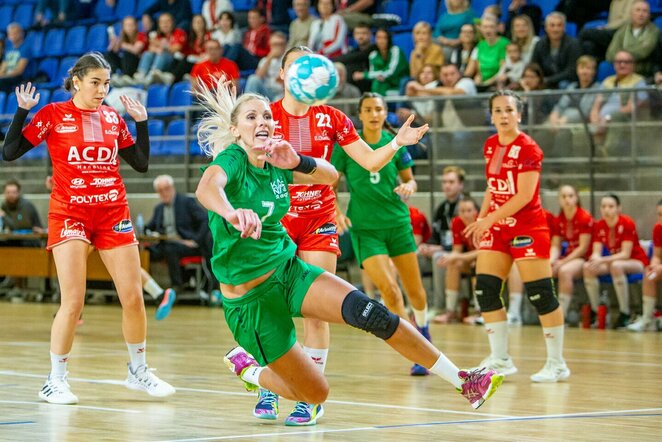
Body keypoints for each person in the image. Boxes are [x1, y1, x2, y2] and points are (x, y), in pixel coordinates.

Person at [193, 80, 503, 425]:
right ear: (236, 130)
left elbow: (329, 176)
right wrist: (231, 213)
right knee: (315, 393)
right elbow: (208, 186)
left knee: (373, 314)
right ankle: (250, 371)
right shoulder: (233, 159)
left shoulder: (278, 160)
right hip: (250, 302)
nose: (262, 122)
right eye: (251, 117)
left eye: (267, 115)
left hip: (288, 272)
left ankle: (463, 380)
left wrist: (299, 159)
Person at [254, 45, 429, 425]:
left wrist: (396, 143)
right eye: (296, 67)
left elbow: (367, 159)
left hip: (317, 218)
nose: (305, 74)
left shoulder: (332, 117)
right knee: (272, 307)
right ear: (282, 75)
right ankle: (274, 382)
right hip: (276, 221)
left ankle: (310, 397)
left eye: (311, 68)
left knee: (316, 311)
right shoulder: (265, 115)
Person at [1, 52, 175, 404]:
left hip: (113, 213)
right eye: (96, 82)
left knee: (133, 297)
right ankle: (55, 379)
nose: (102, 89)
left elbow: (140, 164)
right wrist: (21, 111)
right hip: (70, 214)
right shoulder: (53, 114)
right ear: (77, 80)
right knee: (73, 302)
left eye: (107, 83)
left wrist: (141, 122)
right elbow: (11, 151)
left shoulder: (112, 118)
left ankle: (139, 371)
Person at [463, 90, 570, 383]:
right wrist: (482, 219)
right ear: (491, 116)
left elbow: (524, 195)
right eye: (497, 110)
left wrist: (489, 220)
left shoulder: (529, 149)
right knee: (485, 289)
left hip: (527, 227)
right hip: (498, 226)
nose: (503, 115)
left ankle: (557, 363)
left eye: (509, 110)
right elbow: (492, 186)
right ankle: (500, 359)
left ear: (519, 115)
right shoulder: (489, 145)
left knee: (541, 294)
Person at [332, 91, 433, 376]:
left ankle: (423, 330)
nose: (374, 114)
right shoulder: (349, 146)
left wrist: (409, 188)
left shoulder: (397, 145)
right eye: (368, 109)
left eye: (379, 109)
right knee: (388, 289)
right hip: (366, 228)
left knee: (416, 292)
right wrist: (336, 210)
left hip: (398, 225)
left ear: (385, 112)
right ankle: (412, 346)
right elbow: (332, 182)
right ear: (360, 114)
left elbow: (410, 181)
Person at [582, 194, 649, 329]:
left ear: (619, 208)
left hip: (636, 261)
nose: (607, 210)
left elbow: (625, 254)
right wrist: (595, 258)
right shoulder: (599, 225)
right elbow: (596, 250)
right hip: (613, 261)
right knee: (587, 267)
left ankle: (625, 312)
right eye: (603, 206)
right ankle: (596, 311)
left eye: (611, 206)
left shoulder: (627, 223)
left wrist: (601, 259)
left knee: (616, 266)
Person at [145, 175, 209, 297]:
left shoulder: (186, 202)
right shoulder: (159, 209)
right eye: (160, 191)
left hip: (187, 245)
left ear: (172, 188)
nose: (164, 193)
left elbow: (205, 220)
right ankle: (148, 288)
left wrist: (196, 240)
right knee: (145, 252)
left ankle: (177, 285)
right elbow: (149, 227)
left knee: (171, 249)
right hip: (165, 243)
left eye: (166, 189)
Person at [418, 166, 465, 314]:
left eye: (451, 182)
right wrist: (427, 246)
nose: (447, 185)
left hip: (461, 252)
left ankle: (439, 306)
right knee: (414, 255)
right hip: (443, 247)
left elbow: (466, 240)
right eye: (444, 182)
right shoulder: (441, 208)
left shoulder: (467, 207)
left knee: (439, 257)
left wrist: (439, 248)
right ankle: (417, 304)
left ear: (460, 184)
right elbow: (436, 235)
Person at [589, 50, 648, 155]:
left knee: (614, 118)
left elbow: (632, 107)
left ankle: (608, 155)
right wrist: (595, 118)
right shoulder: (608, 81)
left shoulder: (639, 82)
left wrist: (607, 119)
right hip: (601, 121)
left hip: (624, 120)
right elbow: (596, 105)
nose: (622, 64)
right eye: (619, 62)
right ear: (614, 64)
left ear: (633, 65)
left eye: (627, 62)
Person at [550, 185, 594, 318]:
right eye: (563, 196)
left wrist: (562, 261)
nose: (567, 199)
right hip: (569, 257)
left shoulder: (584, 217)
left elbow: (583, 248)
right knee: (547, 270)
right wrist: (551, 260)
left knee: (565, 271)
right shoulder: (559, 219)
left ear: (576, 198)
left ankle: (561, 314)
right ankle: (548, 310)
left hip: (585, 258)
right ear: (559, 199)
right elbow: (556, 246)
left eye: (570, 196)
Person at [433, 196, 479, 324]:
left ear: (476, 211)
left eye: (469, 210)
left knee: (479, 264)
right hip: (470, 259)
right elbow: (457, 250)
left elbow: (483, 251)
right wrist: (449, 258)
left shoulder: (480, 222)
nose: (465, 214)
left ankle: (480, 313)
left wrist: (456, 256)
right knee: (452, 264)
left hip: (486, 260)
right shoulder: (457, 222)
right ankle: (450, 311)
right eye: (462, 211)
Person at [628, 199, 662, 332]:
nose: (661, 218)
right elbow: (657, 255)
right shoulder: (658, 228)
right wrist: (654, 265)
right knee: (648, 274)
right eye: (659, 214)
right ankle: (647, 319)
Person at [605, 1, 660, 79]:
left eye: (645, 11)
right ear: (631, 13)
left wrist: (621, 55)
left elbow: (643, 52)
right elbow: (610, 54)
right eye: (638, 10)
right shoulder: (622, 31)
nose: (641, 14)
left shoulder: (654, 31)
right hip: (621, 74)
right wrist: (627, 57)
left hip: (644, 74)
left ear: (649, 15)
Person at [131, 13, 187, 86]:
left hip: (175, 63)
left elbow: (176, 48)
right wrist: (157, 49)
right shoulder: (158, 35)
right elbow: (150, 48)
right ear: (159, 24)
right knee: (147, 54)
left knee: (162, 54)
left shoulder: (179, 32)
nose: (165, 24)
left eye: (167, 22)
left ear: (173, 22)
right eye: (162, 22)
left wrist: (161, 46)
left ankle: (152, 75)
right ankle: (141, 74)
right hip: (159, 58)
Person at [530, 12, 581, 89]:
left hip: (566, 82)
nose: (555, 29)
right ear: (546, 28)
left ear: (564, 28)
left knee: (563, 84)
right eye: (552, 25)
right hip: (545, 81)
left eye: (559, 25)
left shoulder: (573, 44)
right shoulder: (540, 44)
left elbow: (571, 71)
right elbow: (534, 66)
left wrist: (548, 80)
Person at [353, 29, 409, 96]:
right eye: (378, 38)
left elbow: (390, 72)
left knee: (378, 85)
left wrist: (364, 75)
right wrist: (378, 75)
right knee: (377, 83)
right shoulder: (373, 55)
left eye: (384, 38)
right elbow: (374, 73)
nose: (381, 41)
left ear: (389, 39)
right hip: (383, 85)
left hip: (399, 85)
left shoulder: (396, 51)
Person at [464, 15, 509, 90]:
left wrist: (485, 84)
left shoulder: (505, 44)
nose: (488, 30)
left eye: (491, 27)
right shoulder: (480, 45)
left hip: (498, 83)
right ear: (481, 29)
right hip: (482, 83)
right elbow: (476, 71)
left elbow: (502, 70)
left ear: (497, 28)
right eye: (485, 27)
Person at [243, 32, 288, 101]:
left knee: (279, 98)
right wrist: (270, 58)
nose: (278, 47)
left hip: (281, 93)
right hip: (266, 91)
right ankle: (246, 105)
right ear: (270, 46)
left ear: (285, 45)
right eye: (275, 44)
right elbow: (258, 76)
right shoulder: (265, 60)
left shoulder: (289, 60)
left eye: (280, 44)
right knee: (253, 79)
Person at [332, 23, 374, 93]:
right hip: (355, 86)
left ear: (370, 35)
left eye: (364, 33)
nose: (360, 36)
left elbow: (361, 55)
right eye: (357, 33)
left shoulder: (374, 49)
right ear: (354, 35)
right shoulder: (353, 51)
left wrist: (332, 60)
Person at [106, 16, 148, 85]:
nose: (130, 28)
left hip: (138, 64)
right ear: (123, 27)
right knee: (109, 54)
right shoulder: (122, 37)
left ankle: (127, 76)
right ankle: (115, 74)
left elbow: (136, 50)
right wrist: (113, 43)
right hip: (126, 64)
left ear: (136, 26)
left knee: (128, 53)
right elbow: (113, 51)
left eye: (132, 25)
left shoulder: (141, 35)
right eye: (127, 25)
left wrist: (121, 44)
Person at [0, 23, 32, 93]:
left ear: (21, 34)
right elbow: (3, 67)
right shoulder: (9, 50)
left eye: (15, 33)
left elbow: (19, 70)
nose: (12, 36)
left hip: (20, 78)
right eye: (10, 34)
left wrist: (4, 76)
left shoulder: (25, 49)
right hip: (6, 77)